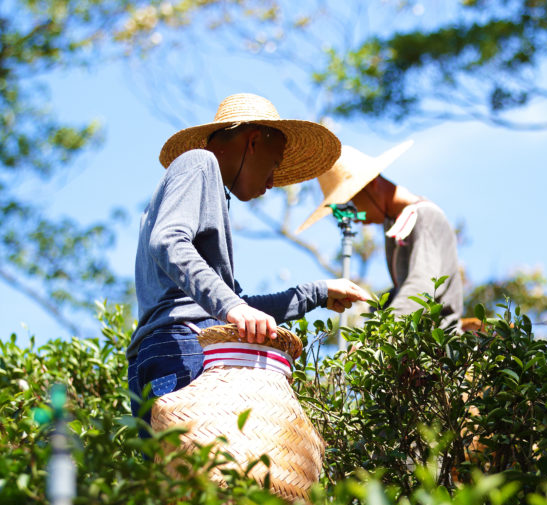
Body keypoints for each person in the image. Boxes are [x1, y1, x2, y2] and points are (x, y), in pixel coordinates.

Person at [127, 93, 370, 420]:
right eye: (274, 165)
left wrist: (316, 294)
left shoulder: (210, 187)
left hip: (171, 347)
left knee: (183, 469)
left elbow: (237, 305)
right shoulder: (199, 162)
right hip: (181, 346)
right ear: (253, 142)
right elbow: (168, 241)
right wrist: (233, 307)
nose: (272, 182)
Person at [296, 141, 463, 330]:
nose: (353, 217)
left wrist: (378, 338)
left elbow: (421, 286)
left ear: (372, 184)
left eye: (352, 205)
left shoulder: (425, 216)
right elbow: (404, 288)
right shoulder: (394, 223)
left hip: (439, 344)